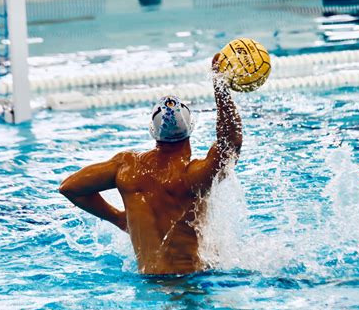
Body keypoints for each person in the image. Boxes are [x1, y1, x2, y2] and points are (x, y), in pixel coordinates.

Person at [59, 54, 242, 274]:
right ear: (191, 128)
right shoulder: (192, 175)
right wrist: (220, 87)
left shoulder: (126, 168)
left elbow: (69, 187)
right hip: (190, 282)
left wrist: (118, 219)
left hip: (148, 281)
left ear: (153, 132)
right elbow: (230, 144)